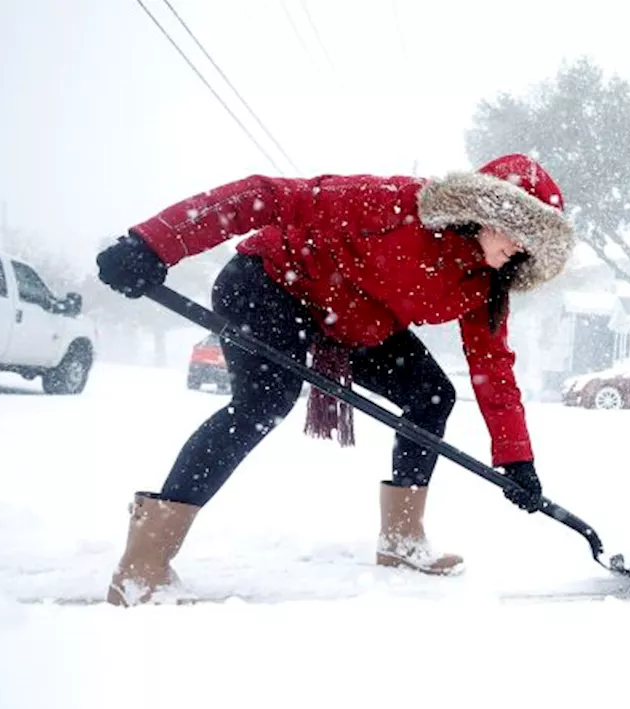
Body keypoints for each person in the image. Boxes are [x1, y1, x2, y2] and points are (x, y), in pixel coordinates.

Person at [95, 153, 575, 606]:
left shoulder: (485, 283)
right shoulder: (396, 204)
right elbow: (261, 195)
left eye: (530, 243)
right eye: (515, 230)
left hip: (346, 320)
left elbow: (493, 368)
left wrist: (517, 460)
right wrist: (155, 243)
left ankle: (402, 539)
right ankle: (144, 564)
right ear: (479, 209)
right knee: (264, 402)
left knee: (431, 395)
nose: (519, 248)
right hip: (269, 282)